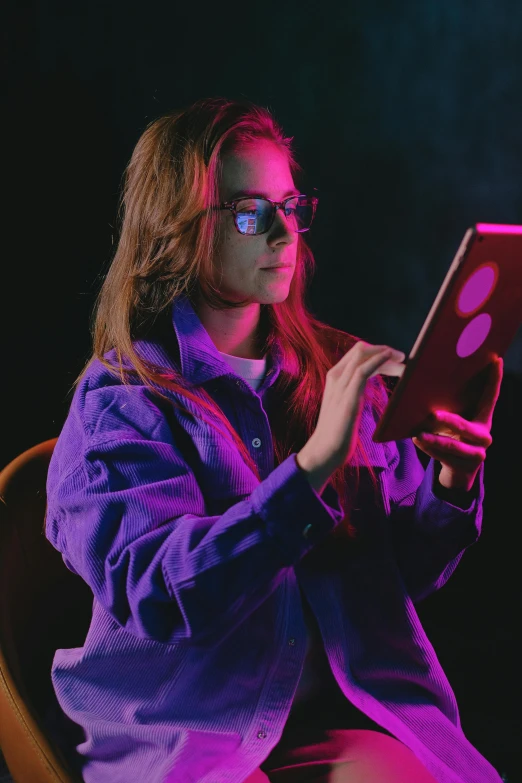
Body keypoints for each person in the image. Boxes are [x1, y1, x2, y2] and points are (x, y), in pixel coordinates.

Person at [45, 97, 504, 783]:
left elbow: (401, 577)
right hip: (187, 729)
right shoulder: (122, 401)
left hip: (336, 720)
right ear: (175, 228)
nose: (284, 234)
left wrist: (451, 485)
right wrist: (313, 466)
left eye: (291, 206)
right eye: (250, 211)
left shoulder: (339, 369)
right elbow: (162, 596)